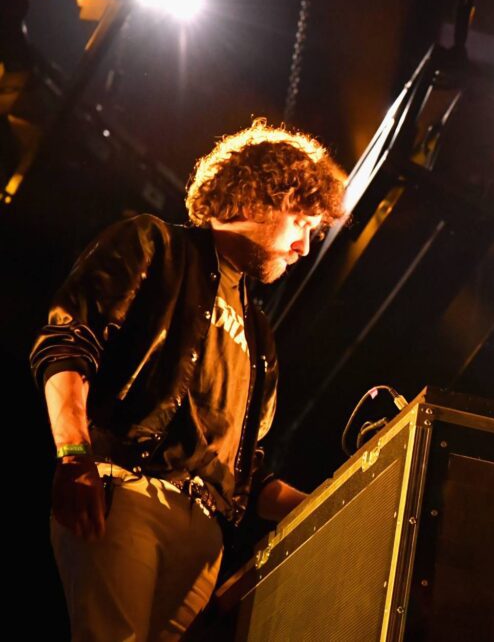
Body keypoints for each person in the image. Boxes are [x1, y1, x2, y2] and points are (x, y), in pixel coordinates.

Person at [31, 118, 347, 640]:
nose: (303, 250)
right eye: (302, 224)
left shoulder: (261, 335)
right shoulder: (154, 244)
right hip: (128, 493)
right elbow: (66, 344)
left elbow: (246, 475)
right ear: (257, 198)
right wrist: (74, 457)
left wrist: (342, 503)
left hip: (204, 536)